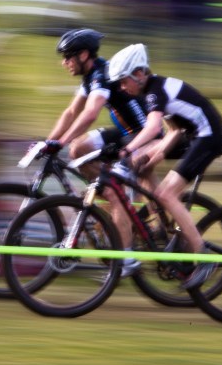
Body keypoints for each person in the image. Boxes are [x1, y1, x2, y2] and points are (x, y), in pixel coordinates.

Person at [106, 43, 222, 289]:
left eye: (123, 81)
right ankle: (163, 226)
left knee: (165, 193)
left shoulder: (154, 91)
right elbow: (174, 129)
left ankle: (203, 258)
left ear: (139, 74)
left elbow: (152, 129)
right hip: (196, 135)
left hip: (209, 137)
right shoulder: (153, 90)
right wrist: (156, 155)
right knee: (142, 168)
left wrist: (129, 149)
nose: (121, 87)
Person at [43, 28, 153, 276]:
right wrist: (49, 142)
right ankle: (109, 193)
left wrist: (59, 142)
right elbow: (71, 112)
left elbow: (90, 113)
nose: (64, 63)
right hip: (124, 131)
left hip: (142, 136)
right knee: (78, 149)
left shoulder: (101, 75)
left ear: (83, 55)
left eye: (68, 57)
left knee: (112, 190)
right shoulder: (90, 75)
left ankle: (126, 256)